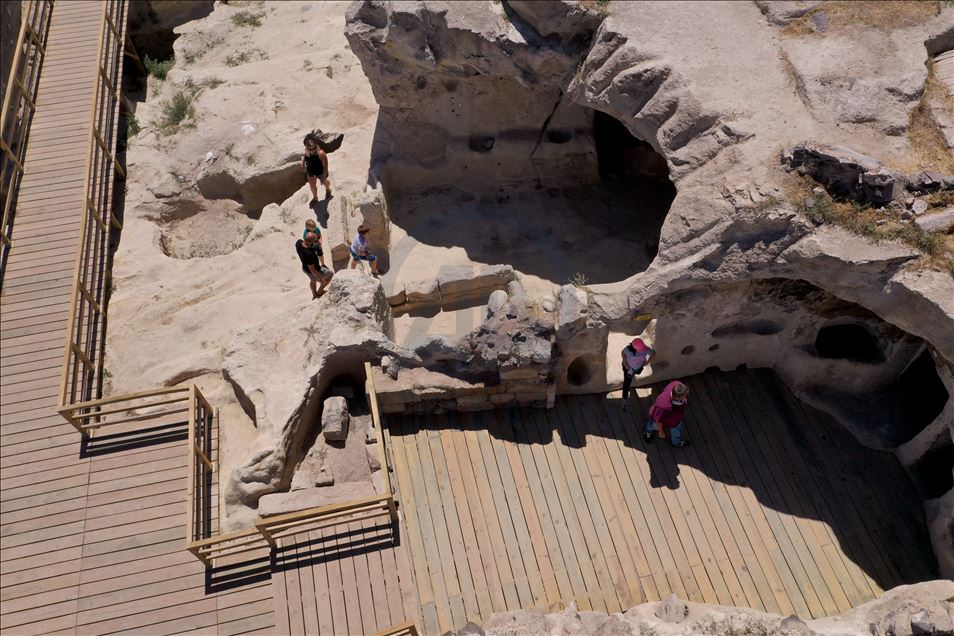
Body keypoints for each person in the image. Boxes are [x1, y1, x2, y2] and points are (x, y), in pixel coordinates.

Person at [644, 380, 690, 447]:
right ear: (678, 397)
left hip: (676, 420)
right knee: (653, 425)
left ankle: (676, 442)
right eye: (684, 396)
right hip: (660, 417)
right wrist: (661, 431)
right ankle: (647, 432)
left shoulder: (677, 384)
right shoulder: (663, 406)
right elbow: (658, 420)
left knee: (677, 430)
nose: (685, 398)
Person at [296, 231, 332, 299]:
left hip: (305, 268)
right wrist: (321, 280)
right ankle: (319, 292)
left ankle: (314, 295)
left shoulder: (298, 242)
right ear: (310, 242)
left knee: (313, 281)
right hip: (313, 269)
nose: (318, 241)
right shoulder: (309, 254)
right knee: (331, 274)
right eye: (316, 240)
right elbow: (312, 269)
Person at [621, 337, 654, 410]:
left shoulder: (645, 349)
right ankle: (624, 399)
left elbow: (653, 353)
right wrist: (625, 363)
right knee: (626, 384)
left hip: (638, 368)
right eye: (641, 349)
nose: (643, 350)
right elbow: (623, 352)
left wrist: (647, 363)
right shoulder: (629, 350)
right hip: (628, 369)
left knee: (637, 373)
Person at [301, 132, 332, 202]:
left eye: (313, 148)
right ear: (306, 147)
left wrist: (323, 178)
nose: (312, 151)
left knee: (325, 182)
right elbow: (304, 157)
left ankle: (328, 190)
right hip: (311, 169)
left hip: (320, 170)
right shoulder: (306, 150)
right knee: (312, 186)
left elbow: (325, 167)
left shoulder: (321, 153)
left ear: (316, 146)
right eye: (310, 149)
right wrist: (302, 163)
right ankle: (315, 198)